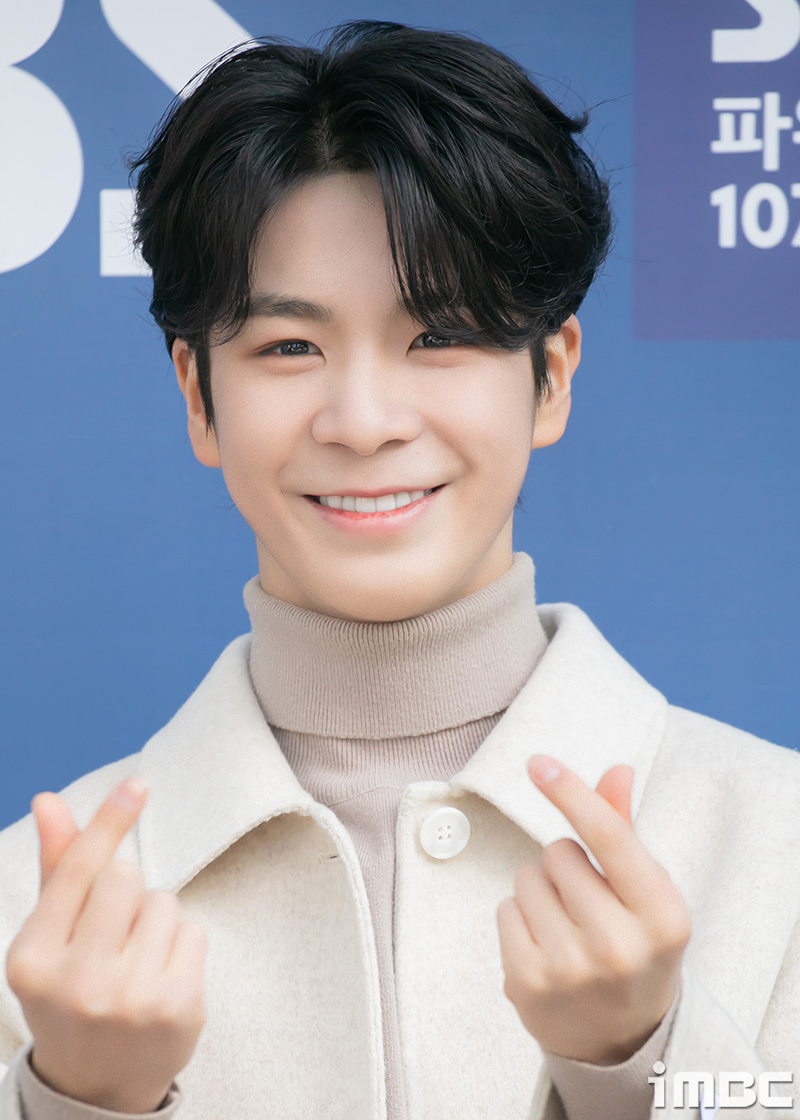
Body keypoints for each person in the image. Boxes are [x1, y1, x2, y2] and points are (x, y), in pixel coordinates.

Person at [0, 18, 797, 1120]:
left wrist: (637, 1060)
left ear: (552, 375)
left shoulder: (774, 844)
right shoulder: (35, 916)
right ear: (198, 396)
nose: (364, 420)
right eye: (289, 347)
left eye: (438, 336)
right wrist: (82, 1101)